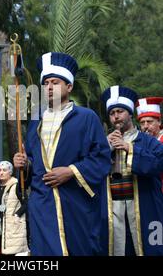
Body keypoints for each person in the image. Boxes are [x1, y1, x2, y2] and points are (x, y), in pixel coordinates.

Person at [13, 52, 111, 256]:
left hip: (75, 203)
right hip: (42, 204)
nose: (49, 87)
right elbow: (33, 160)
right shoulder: (35, 121)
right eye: (46, 82)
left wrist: (71, 171)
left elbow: (102, 158)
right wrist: (24, 164)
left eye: (55, 82)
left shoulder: (87, 118)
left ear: (69, 86)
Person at [101, 86, 163, 256]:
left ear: (130, 113)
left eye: (120, 111)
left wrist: (129, 148)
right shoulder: (102, 143)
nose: (116, 116)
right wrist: (107, 150)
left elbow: (159, 163)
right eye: (112, 113)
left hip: (144, 206)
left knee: (151, 247)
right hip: (113, 210)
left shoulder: (148, 141)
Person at [0, 160, 29, 255]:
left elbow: (26, 203)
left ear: (10, 172)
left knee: (10, 253)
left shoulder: (16, 185)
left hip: (12, 226)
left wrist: (17, 215)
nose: (1, 172)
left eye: (4, 170)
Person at [136, 97, 163, 191]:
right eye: (142, 123)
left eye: (149, 122)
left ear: (159, 122)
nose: (146, 126)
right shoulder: (137, 143)